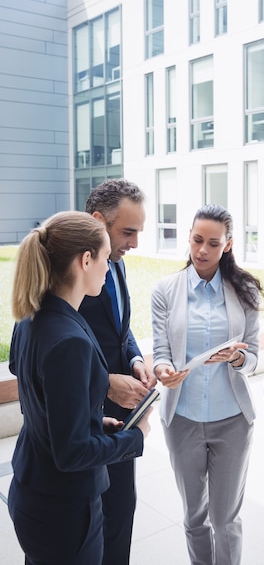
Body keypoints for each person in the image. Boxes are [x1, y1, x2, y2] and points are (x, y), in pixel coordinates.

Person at [8, 211, 152, 565]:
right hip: (63, 509)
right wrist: (137, 437)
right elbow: (71, 454)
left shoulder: (32, 317)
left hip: (33, 489)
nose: (108, 268)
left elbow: (38, 394)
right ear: (85, 260)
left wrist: (91, 420)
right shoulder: (69, 340)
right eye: (104, 258)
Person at [151, 204, 264, 565]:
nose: (202, 250)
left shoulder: (244, 291)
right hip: (182, 419)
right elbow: (160, 350)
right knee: (194, 517)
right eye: (197, 240)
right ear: (188, 237)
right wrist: (164, 369)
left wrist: (236, 358)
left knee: (225, 518)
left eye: (213, 243)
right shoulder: (166, 290)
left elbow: (253, 358)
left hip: (231, 420)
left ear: (227, 245)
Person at [79, 178, 157, 565]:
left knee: (121, 514)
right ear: (98, 221)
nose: (136, 243)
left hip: (123, 421)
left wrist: (136, 360)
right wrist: (107, 384)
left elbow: (120, 332)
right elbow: (45, 358)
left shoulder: (116, 263)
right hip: (81, 422)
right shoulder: (64, 276)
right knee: (87, 527)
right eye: (128, 231)